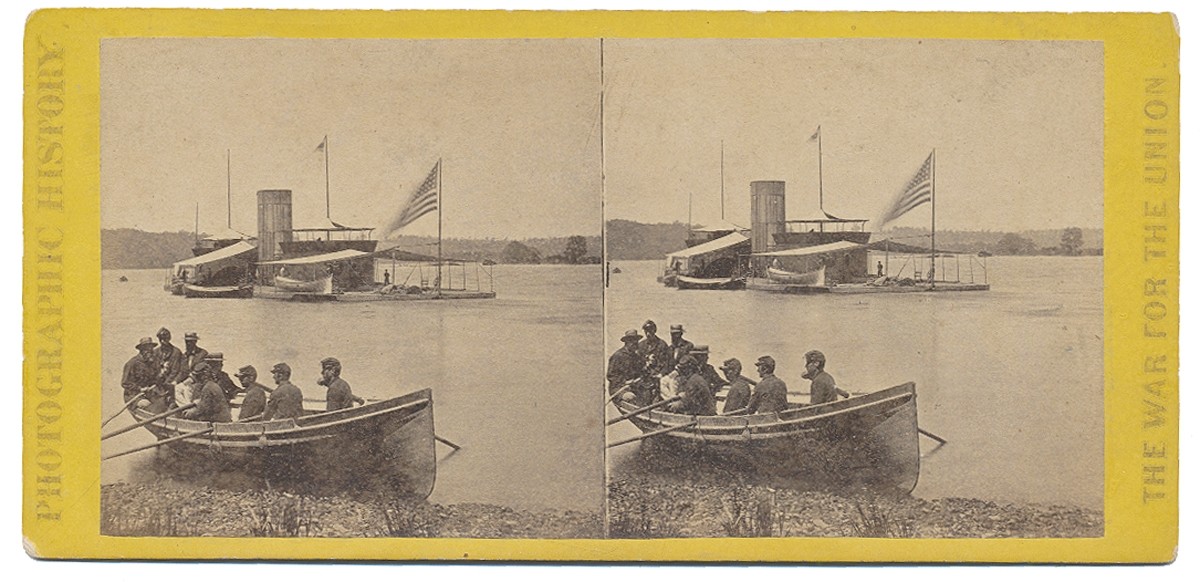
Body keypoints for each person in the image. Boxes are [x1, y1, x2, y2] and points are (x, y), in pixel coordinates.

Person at [122, 337, 159, 402]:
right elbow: (125, 383)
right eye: (147, 349)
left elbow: (155, 378)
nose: (150, 351)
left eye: (151, 349)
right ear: (141, 350)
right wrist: (140, 389)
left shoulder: (152, 362)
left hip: (149, 393)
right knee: (147, 405)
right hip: (133, 395)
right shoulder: (132, 363)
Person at [607, 329, 644, 394]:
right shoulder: (618, 356)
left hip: (634, 387)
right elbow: (611, 376)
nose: (635, 344)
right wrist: (624, 382)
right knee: (631, 398)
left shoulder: (637, 357)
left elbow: (640, 372)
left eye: (636, 341)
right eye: (632, 341)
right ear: (627, 342)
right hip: (618, 388)